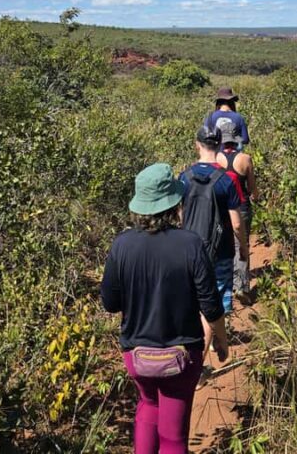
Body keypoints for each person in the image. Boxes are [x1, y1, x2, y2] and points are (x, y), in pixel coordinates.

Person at [101, 162, 228, 454]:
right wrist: (221, 339)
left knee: (148, 405)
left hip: (137, 354)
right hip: (181, 356)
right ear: (174, 203)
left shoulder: (122, 245)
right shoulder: (190, 244)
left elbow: (110, 303)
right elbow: (210, 304)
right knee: (173, 437)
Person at [180, 127, 248, 359]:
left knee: (194, 303)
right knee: (214, 303)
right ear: (219, 145)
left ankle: (209, 344)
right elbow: (237, 224)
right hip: (220, 251)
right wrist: (244, 251)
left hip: (188, 250)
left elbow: (181, 215)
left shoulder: (184, 177)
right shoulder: (226, 180)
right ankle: (198, 366)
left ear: (196, 144)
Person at [216, 121, 259, 305]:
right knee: (241, 243)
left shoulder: (216, 158)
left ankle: (226, 286)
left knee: (224, 245)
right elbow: (252, 188)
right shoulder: (245, 159)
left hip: (221, 208)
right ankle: (241, 286)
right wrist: (256, 196)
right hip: (241, 207)